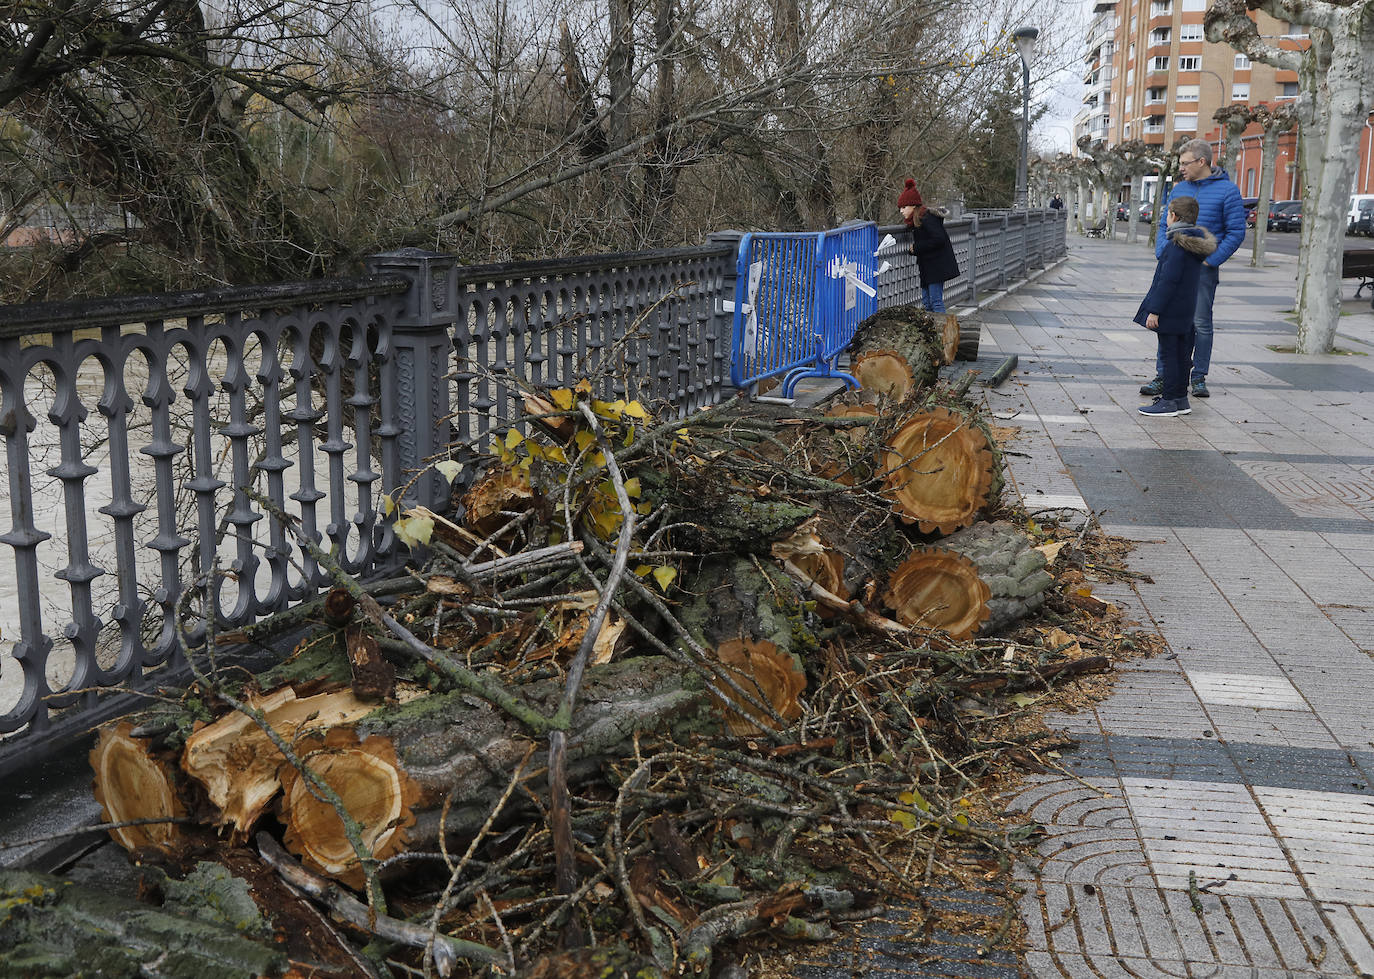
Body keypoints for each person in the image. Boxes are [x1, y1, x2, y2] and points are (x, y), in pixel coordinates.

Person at [1140, 138, 1246, 400]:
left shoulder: (1227, 191)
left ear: (1202, 161)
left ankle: (1198, 376)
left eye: (1185, 163)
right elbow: (1165, 224)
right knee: (1166, 318)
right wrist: (1163, 251)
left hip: (1202, 270)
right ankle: (1163, 375)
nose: (1181, 168)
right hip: (1174, 264)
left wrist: (1212, 260)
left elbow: (1236, 232)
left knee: (1200, 322)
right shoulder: (1178, 189)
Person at [1134, 196, 1217, 417]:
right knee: (1182, 355)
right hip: (1186, 309)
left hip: (1170, 310)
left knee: (1170, 355)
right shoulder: (1194, 246)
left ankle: (1169, 400)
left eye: (1167, 214)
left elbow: (1167, 281)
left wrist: (1155, 310)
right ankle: (1180, 398)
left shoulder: (1176, 246)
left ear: (1174, 216)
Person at [899, 181, 959, 313]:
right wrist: (915, 249)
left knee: (935, 302)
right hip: (929, 268)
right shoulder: (918, 220)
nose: (901, 211)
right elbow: (927, 242)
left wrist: (917, 247)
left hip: (937, 267)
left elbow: (939, 239)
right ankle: (933, 332)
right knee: (927, 302)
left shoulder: (927, 218)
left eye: (904, 207)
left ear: (913, 206)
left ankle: (941, 332)